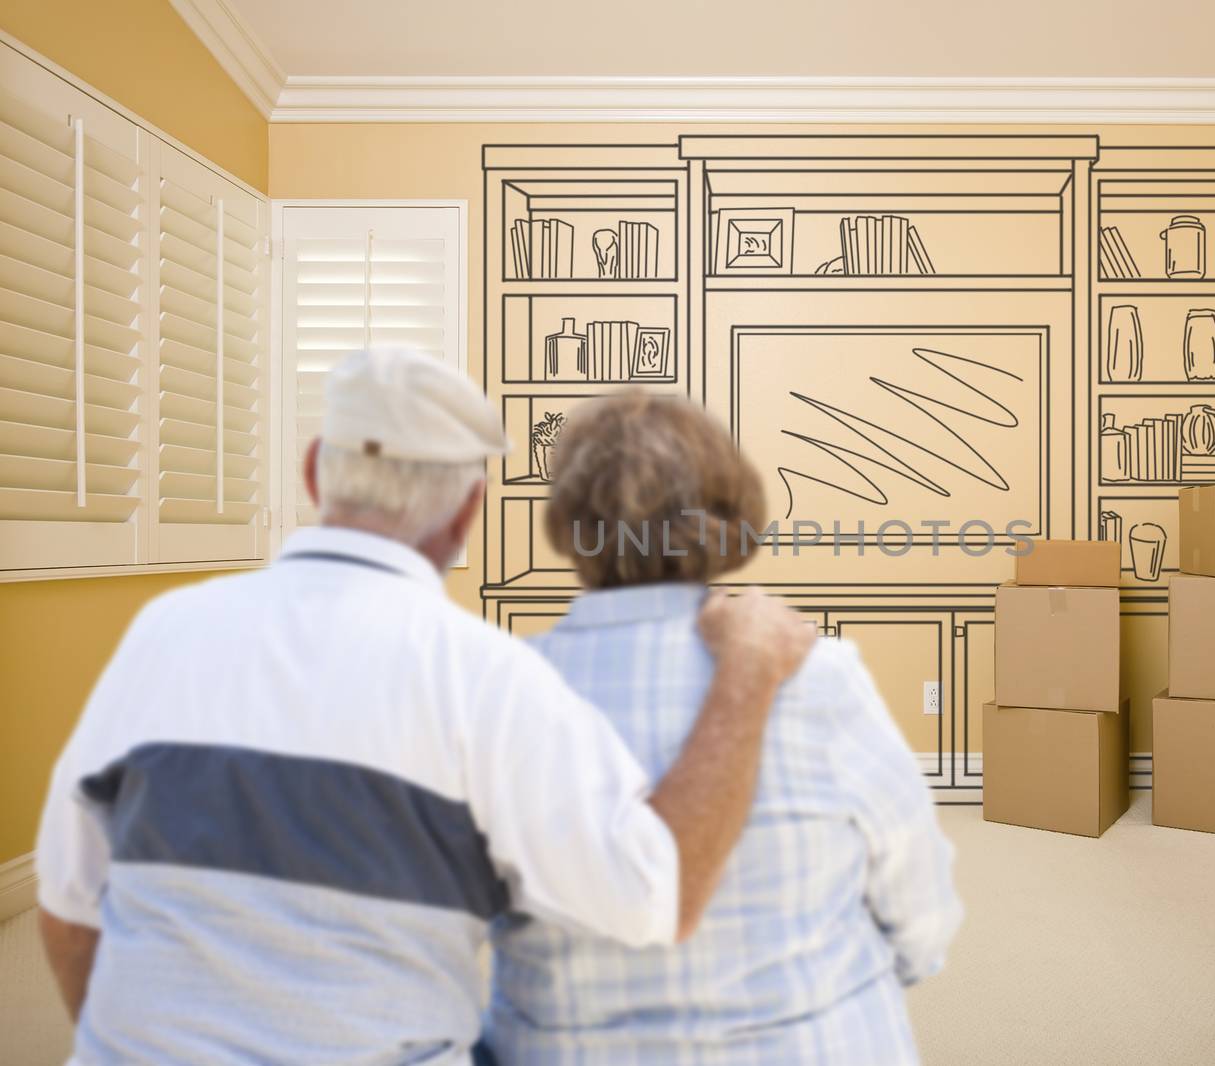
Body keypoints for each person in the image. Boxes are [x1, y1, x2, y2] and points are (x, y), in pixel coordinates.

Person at [33, 348, 815, 1064]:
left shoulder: (164, 631)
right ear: (468, 512)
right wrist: (745, 670)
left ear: (313, 472)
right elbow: (658, 897)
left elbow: (68, 909)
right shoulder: (489, 679)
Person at [486, 393, 963, 1065]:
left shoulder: (500, 693)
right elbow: (916, 891)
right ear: (731, 514)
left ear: (567, 523)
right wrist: (893, 971)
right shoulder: (820, 676)